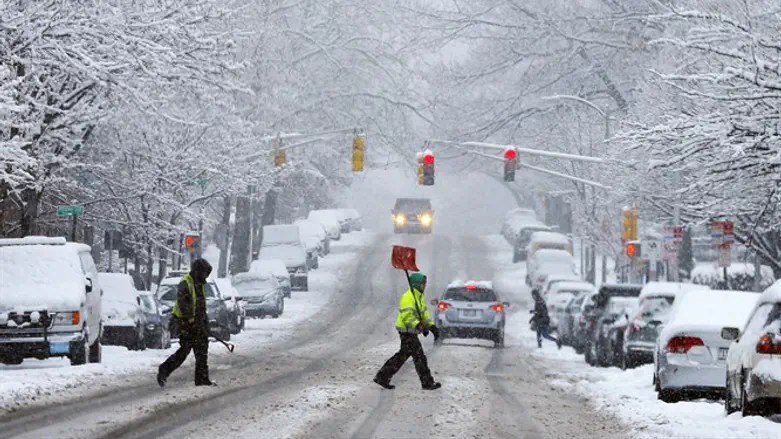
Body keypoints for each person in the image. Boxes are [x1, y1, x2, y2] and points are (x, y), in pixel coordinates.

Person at [374, 272, 441, 390]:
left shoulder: (419, 297)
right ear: (416, 284)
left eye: (425, 283)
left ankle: (382, 377)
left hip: (411, 331)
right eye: (422, 283)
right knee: (419, 356)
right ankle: (427, 382)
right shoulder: (408, 296)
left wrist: (431, 327)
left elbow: (423, 315)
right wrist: (418, 325)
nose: (424, 286)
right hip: (406, 330)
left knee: (403, 355)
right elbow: (407, 316)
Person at [157, 259, 216, 387]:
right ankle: (164, 370)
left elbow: (200, 306)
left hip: (199, 324)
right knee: (184, 351)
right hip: (186, 325)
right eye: (205, 272)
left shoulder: (200, 284)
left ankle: (202, 379)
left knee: (202, 352)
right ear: (198, 271)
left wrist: (204, 323)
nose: (206, 276)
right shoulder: (186, 283)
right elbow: (184, 305)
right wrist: (191, 321)